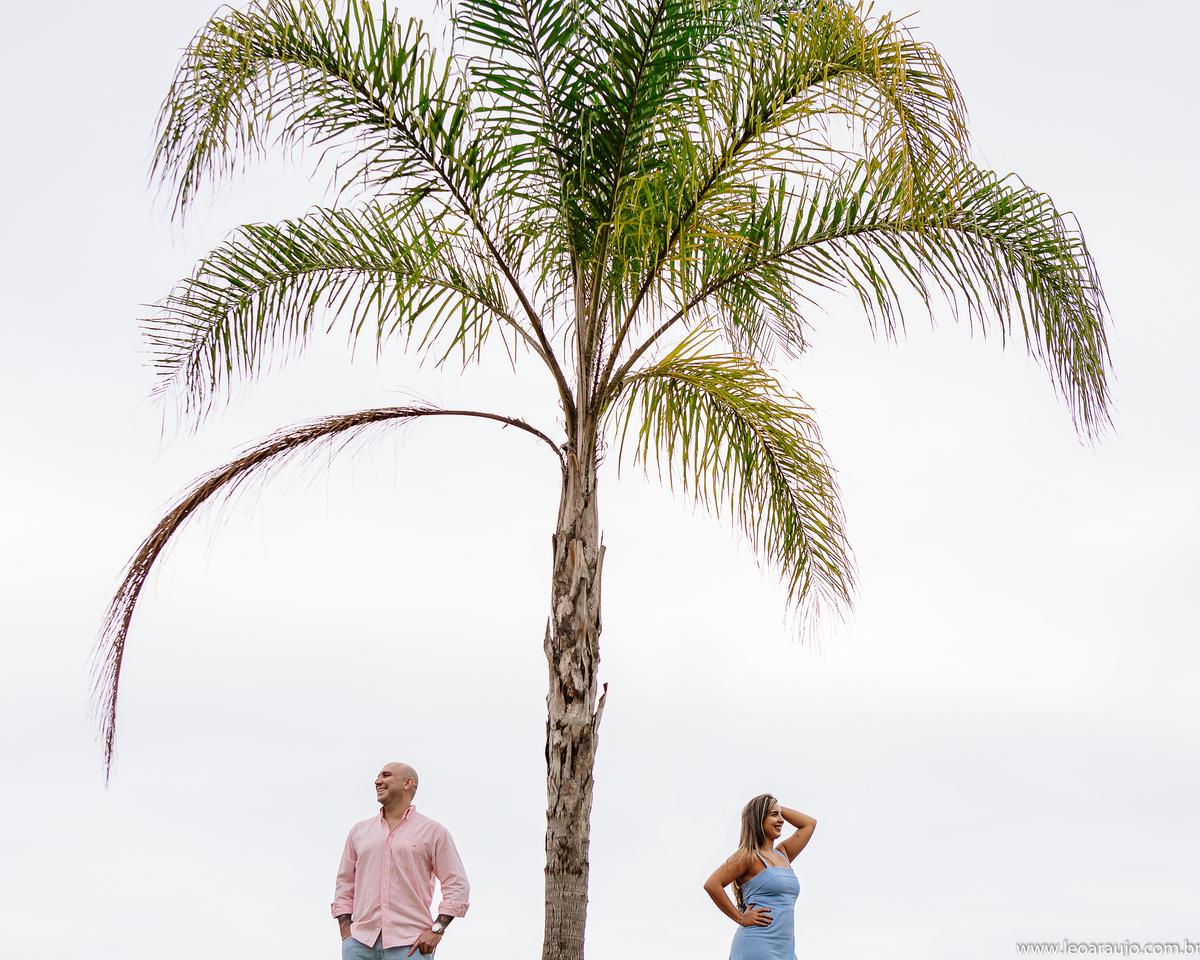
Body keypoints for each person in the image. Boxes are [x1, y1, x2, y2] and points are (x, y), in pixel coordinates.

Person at [332, 762, 470, 958]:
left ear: (407, 783)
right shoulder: (358, 832)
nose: (377, 781)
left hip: (410, 946)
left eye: (385, 775)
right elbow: (344, 885)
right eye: (378, 776)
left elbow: (457, 885)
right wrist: (347, 934)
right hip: (360, 944)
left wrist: (437, 929)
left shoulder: (433, 832)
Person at [703, 795, 817, 960]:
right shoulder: (747, 856)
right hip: (757, 944)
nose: (781, 820)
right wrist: (740, 918)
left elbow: (809, 824)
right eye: (773, 815)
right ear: (758, 819)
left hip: (785, 949)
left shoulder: (783, 853)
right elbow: (712, 884)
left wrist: (775, 807)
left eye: (780, 814)